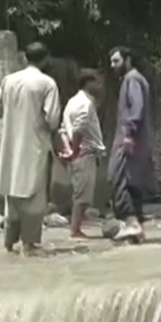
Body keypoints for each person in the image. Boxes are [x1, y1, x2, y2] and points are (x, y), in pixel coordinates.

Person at [0, 42, 71, 255]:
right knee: (35, 198)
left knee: (14, 195)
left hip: (10, 147)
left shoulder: (8, 81)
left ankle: (9, 243)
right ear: (45, 60)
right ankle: (30, 244)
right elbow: (52, 119)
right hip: (35, 145)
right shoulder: (47, 83)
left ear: (25, 58)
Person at [107, 46, 154, 242]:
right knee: (131, 182)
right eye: (111, 62)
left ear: (127, 60)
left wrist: (128, 135)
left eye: (116, 61)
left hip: (128, 140)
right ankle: (137, 230)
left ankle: (131, 222)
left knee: (116, 178)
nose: (112, 66)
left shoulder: (132, 79)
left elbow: (137, 108)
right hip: (137, 141)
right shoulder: (136, 79)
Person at [61, 68, 107, 239]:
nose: (100, 86)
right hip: (84, 153)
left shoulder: (73, 101)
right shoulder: (85, 104)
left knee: (82, 194)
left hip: (78, 153)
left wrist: (68, 149)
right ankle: (75, 230)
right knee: (82, 196)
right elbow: (78, 130)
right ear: (87, 83)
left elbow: (64, 129)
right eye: (97, 82)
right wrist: (73, 151)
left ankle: (76, 228)